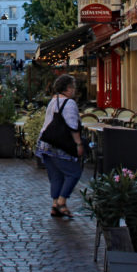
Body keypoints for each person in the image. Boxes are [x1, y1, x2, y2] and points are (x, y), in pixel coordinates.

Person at [35, 73, 84, 218]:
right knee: (74, 173)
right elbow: (73, 126)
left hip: (45, 143)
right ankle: (62, 201)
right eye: (73, 87)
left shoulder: (53, 101)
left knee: (56, 175)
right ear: (68, 88)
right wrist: (78, 144)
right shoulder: (69, 103)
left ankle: (55, 204)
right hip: (60, 144)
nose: (74, 90)